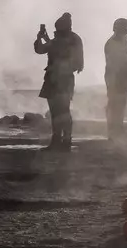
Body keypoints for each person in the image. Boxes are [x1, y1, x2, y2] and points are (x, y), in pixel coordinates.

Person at [32, 12, 85, 151]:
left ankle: (63, 140)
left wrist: (43, 39)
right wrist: (41, 38)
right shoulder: (70, 39)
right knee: (58, 111)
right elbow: (43, 49)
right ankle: (60, 140)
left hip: (61, 79)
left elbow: (49, 50)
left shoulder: (68, 40)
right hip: (56, 78)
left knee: (61, 111)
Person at [104, 18, 127, 144]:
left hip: (121, 79)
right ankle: (113, 133)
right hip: (114, 79)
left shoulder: (123, 42)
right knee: (114, 107)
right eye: (125, 29)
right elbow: (113, 64)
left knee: (119, 107)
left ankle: (118, 132)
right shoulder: (112, 44)